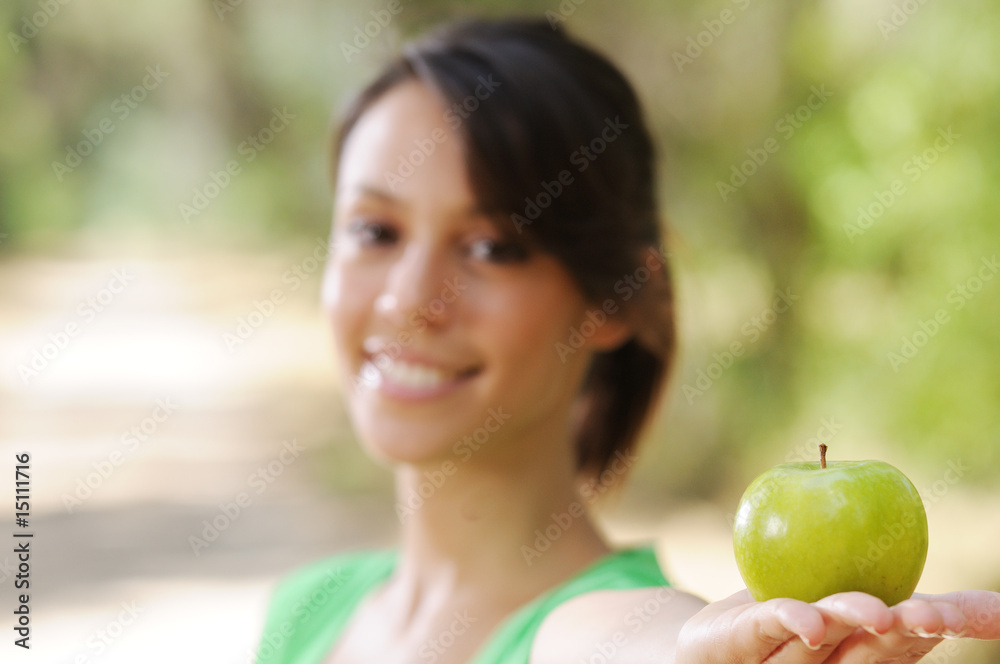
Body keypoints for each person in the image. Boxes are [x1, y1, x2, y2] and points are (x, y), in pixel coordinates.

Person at [255, 17, 1000, 664]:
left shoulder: (609, 625)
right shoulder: (308, 610)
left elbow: (643, 642)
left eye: (491, 248)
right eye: (373, 231)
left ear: (619, 298)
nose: (407, 300)